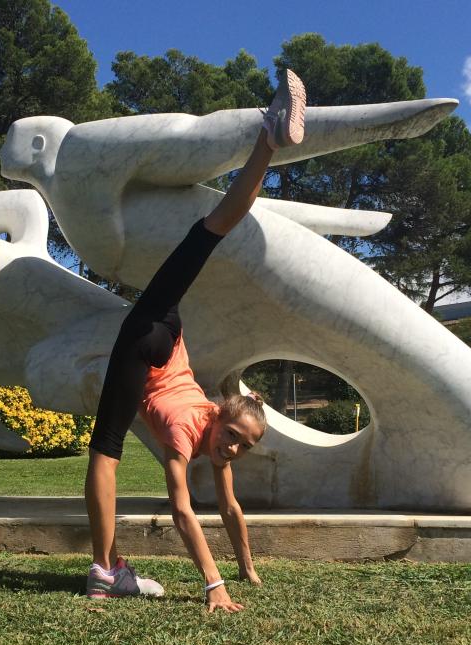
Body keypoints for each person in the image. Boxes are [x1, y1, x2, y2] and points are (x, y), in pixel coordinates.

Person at [84, 70, 307, 613]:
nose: (232, 449)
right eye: (234, 438)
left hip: (158, 331)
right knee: (105, 448)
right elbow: (183, 510)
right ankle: (103, 570)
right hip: (152, 333)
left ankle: (269, 138)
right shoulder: (190, 435)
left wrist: (247, 568)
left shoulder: (214, 430)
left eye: (241, 447)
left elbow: (229, 508)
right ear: (219, 420)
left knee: (209, 234)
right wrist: (215, 584)